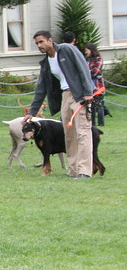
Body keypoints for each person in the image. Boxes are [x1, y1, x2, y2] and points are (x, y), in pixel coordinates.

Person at [27, 30, 95, 179]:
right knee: (69, 134)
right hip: (65, 96)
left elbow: (83, 67)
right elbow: (41, 88)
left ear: (50, 40)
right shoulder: (46, 63)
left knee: (82, 132)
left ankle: (84, 170)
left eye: (41, 42)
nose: (39, 45)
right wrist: (32, 112)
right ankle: (73, 169)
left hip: (80, 95)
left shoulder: (67, 49)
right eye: (37, 43)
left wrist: (88, 91)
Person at [84, 43, 106, 126]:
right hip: (89, 85)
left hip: (98, 85)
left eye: (87, 50)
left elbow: (94, 72)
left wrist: (87, 73)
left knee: (99, 104)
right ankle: (92, 123)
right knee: (91, 105)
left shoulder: (98, 59)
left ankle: (101, 123)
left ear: (91, 50)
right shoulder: (86, 59)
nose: (86, 52)